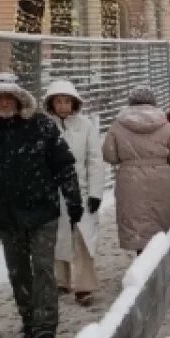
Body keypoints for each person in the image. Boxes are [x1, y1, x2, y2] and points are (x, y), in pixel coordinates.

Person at [0, 73, 82, 338]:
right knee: (18, 271)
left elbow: (63, 163)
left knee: (43, 268)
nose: (4, 102)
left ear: (19, 98)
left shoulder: (41, 125)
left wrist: (72, 197)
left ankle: (46, 329)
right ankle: (28, 319)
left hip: (42, 209)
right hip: (5, 214)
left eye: (9, 97)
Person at [44, 80, 104, 306]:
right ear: (51, 103)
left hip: (81, 190)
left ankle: (84, 285)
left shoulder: (85, 125)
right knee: (56, 237)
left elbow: (95, 160)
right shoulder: (44, 126)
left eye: (67, 101)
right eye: (58, 101)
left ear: (74, 103)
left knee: (82, 238)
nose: (63, 106)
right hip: (53, 191)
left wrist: (96, 193)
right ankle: (61, 280)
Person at [103, 86, 170, 254]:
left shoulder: (118, 125)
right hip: (161, 178)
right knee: (160, 221)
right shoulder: (165, 125)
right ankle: (159, 264)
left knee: (137, 225)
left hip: (130, 179)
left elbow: (109, 155)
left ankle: (141, 262)